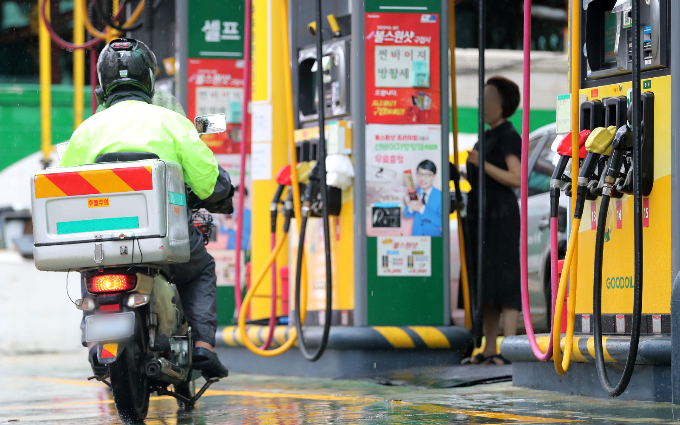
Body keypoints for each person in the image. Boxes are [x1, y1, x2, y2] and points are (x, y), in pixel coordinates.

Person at [59, 38, 232, 379]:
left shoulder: (87, 130)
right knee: (200, 270)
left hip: (104, 241)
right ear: (149, 79)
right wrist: (219, 192)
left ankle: (96, 342)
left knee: (91, 268)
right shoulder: (171, 122)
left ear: (103, 84)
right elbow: (210, 185)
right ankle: (203, 348)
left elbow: (66, 188)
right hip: (161, 239)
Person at [462, 76, 522, 365]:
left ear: (503, 104)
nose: (484, 106)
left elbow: (516, 177)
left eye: (490, 99)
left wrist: (480, 163)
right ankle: (488, 349)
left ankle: (507, 348)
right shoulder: (483, 137)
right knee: (485, 284)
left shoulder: (509, 136)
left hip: (502, 219)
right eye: (482, 100)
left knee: (506, 281)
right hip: (481, 216)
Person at [403, 160, 443, 236]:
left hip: (433, 238)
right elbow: (406, 214)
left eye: (427, 175)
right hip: (416, 238)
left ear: (434, 176)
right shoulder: (414, 191)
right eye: (420, 174)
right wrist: (410, 206)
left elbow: (442, 221)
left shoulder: (440, 195)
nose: (423, 178)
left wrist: (421, 208)